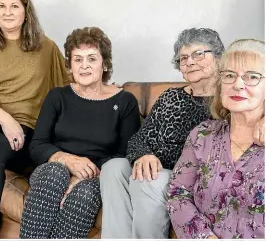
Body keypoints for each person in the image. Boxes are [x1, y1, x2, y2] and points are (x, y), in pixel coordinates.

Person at [99, 28, 265, 238]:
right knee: (114, 167)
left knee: (147, 180)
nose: (190, 61)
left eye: (198, 54)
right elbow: (139, 139)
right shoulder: (170, 97)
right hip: (156, 168)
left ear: (218, 58)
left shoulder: (230, 100)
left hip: (182, 175)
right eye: (183, 58)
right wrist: (144, 155)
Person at [19, 26, 141, 239]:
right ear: (70, 65)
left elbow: (124, 156)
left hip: (96, 176)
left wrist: (82, 175)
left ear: (104, 63)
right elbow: (37, 145)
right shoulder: (57, 97)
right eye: (78, 59)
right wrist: (67, 161)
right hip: (53, 170)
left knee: (84, 193)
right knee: (54, 173)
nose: (84, 66)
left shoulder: (125, 102)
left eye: (92, 59)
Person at [0, 0, 69, 238]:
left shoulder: (46, 47)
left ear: (26, 11)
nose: (8, 12)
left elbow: (64, 88)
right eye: (1, 6)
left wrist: (100, 88)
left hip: (25, 128)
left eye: (14, 6)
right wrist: (4, 118)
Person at [167, 39, 265, 239]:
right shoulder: (203, 135)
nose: (238, 84)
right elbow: (178, 194)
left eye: (252, 77)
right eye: (229, 75)